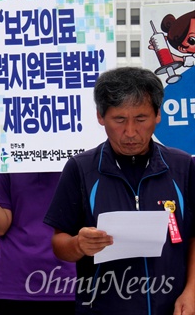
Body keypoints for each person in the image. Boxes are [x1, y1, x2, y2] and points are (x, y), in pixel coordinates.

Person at [43, 66, 195, 314]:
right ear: (101, 117)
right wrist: (79, 245)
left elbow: (192, 236)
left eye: (141, 119)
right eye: (120, 120)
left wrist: (192, 290)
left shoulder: (182, 166)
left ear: (158, 115)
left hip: (172, 306)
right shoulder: (81, 169)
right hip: (102, 307)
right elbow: (59, 243)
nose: (131, 132)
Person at [0, 153, 75, 314]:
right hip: (17, 279)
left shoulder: (81, 155)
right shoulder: (5, 154)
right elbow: (1, 226)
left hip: (71, 277)